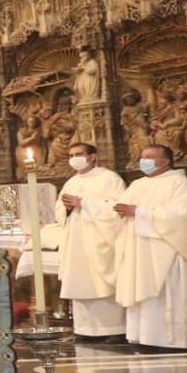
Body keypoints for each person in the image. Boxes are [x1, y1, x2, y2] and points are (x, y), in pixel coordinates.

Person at [107, 145, 187, 351]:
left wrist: (140, 212)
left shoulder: (180, 183)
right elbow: (120, 211)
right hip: (138, 249)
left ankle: (172, 341)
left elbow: (182, 216)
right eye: (142, 157)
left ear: (166, 161)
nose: (143, 161)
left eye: (149, 157)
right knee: (141, 294)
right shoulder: (137, 185)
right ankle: (142, 337)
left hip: (167, 250)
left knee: (167, 296)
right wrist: (120, 212)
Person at [58, 142, 127, 341]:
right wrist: (67, 209)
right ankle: (84, 329)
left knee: (102, 284)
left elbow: (118, 208)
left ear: (93, 156)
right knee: (80, 282)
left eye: (78, 154)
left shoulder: (110, 178)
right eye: (71, 155)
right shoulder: (71, 182)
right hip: (76, 240)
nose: (74, 158)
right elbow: (59, 210)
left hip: (100, 239)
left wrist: (84, 204)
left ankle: (114, 329)